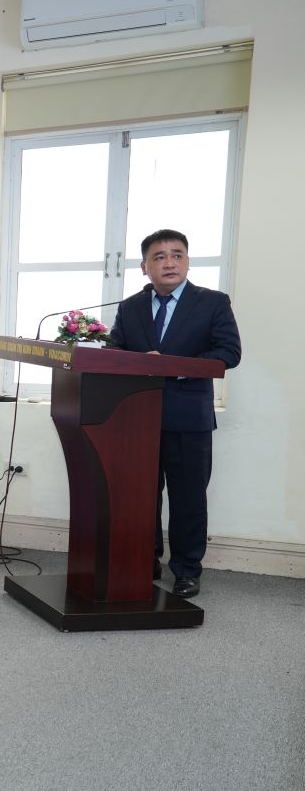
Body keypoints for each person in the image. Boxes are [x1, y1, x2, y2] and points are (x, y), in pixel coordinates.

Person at [109, 228, 241, 599]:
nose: (169, 262)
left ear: (187, 261)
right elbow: (115, 352)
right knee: (141, 495)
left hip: (188, 418)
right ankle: (145, 559)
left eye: (177, 255)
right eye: (160, 256)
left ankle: (186, 569)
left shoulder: (212, 302)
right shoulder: (130, 307)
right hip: (138, 417)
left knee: (188, 499)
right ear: (144, 267)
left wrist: (171, 365)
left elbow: (229, 353)